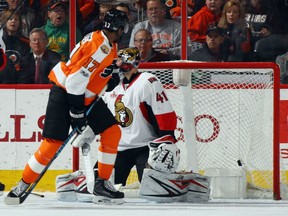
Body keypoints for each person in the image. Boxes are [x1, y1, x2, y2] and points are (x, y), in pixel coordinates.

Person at [6, 8, 129, 204]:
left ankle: (101, 182)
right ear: (120, 28)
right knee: (52, 144)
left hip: (85, 96)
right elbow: (74, 81)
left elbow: (97, 69)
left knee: (112, 132)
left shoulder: (106, 40)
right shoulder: (99, 48)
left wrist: (111, 75)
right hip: (65, 93)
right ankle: (22, 183)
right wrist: (77, 112)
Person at [103, 47, 178, 186]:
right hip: (118, 149)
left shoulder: (147, 81)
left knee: (150, 188)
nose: (118, 64)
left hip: (145, 147)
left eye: (121, 60)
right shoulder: (111, 86)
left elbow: (164, 113)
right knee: (104, 186)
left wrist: (167, 138)